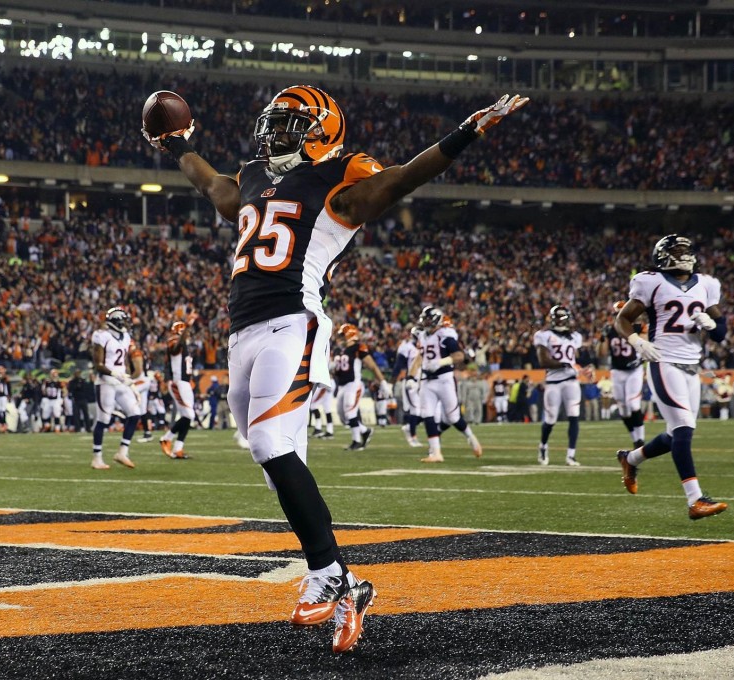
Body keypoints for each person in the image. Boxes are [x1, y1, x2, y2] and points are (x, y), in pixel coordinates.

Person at [148, 82, 527, 652]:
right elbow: (215, 189)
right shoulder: (255, 176)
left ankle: (325, 572)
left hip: (292, 323)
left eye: (290, 124)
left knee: (269, 443)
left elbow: (401, 178)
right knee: (277, 457)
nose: (275, 132)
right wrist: (177, 145)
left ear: (322, 132)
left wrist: (465, 133)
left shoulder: (338, 179)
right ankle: (347, 585)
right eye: (273, 122)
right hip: (243, 331)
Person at [614, 234, 728, 520]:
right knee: (683, 428)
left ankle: (631, 458)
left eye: (685, 250)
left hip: (692, 365)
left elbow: (721, 334)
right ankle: (695, 500)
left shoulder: (707, 284)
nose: (683, 255)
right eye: (677, 251)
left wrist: (712, 324)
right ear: (663, 255)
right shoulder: (650, 281)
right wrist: (638, 342)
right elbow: (623, 319)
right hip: (663, 360)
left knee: (675, 432)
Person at [411, 306, 481, 463]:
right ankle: (436, 453)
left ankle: (471, 438)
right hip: (427, 380)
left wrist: (441, 362)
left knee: (453, 417)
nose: (425, 322)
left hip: (444, 379)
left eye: (428, 319)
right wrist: (411, 376)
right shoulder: (422, 336)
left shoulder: (445, 334)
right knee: (427, 414)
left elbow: (459, 356)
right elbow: (420, 357)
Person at [90, 307, 143, 470]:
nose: (126, 324)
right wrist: (114, 373)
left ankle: (122, 452)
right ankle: (97, 458)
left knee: (135, 414)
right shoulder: (102, 336)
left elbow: (123, 361)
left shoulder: (125, 337)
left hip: (120, 381)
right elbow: (98, 364)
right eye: (124, 320)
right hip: (106, 382)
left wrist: (127, 377)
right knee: (103, 420)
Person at [534, 305, 587, 466]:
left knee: (574, 416)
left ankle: (571, 454)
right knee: (550, 419)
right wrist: (565, 365)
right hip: (553, 382)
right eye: (557, 317)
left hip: (571, 381)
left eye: (562, 317)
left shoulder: (575, 336)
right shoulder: (544, 335)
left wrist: (584, 367)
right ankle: (543, 446)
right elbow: (543, 361)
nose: (559, 320)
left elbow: (576, 358)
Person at [598, 300, 647, 449]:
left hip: (634, 370)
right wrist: (602, 338)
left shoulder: (638, 327)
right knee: (623, 409)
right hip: (617, 371)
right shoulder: (610, 330)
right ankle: (635, 439)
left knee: (633, 404)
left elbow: (645, 345)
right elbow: (602, 353)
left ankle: (641, 439)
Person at [332, 323, 386, 451]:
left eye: (342, 335)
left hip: (354, 384)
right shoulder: (339, 350)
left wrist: (382, 381)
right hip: (342, 386)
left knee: (350, 411)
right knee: (343, 416)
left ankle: (356, 441)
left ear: (350, 335)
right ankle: (365, 430)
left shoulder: (358, 348)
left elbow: (372, 365)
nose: (339, 338)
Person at [160, 315, 199, 460]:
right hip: (178, 382)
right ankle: (166, 438)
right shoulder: (174, 341)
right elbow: (175, 348)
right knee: (189, 415)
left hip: (185, 382)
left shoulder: (184, 345)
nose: (188, 334)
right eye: (185, 331)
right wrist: (186, 329)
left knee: (187, 417)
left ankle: (178, 449)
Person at [395, 325, 423, 446]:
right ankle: (413, 437)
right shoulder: (407, 348)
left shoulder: (426, 346)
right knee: (415, 409)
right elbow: (399, 365)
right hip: (412, 382)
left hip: (424, 382)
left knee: (426, 412)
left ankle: (408, 427)